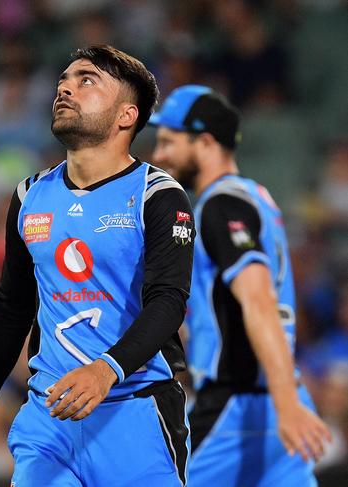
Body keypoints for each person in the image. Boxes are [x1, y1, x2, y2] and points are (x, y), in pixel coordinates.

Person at [0, 45, 194, 487]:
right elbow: (10, 305)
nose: (65, 88)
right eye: (64, 79)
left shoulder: (158, 194)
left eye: (87, 80)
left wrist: (105, 370)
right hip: (49, 418)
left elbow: (169, 303)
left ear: (126, 116)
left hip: (134, 411)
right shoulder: (30, 196)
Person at [150, 85, 332, 486]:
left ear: (206, 141)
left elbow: (258, 300)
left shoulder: (221, 206)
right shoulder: (257, 197)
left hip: (239, 405)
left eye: (167, 142)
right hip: (279, 393)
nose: (158, 156)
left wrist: (285, 403)